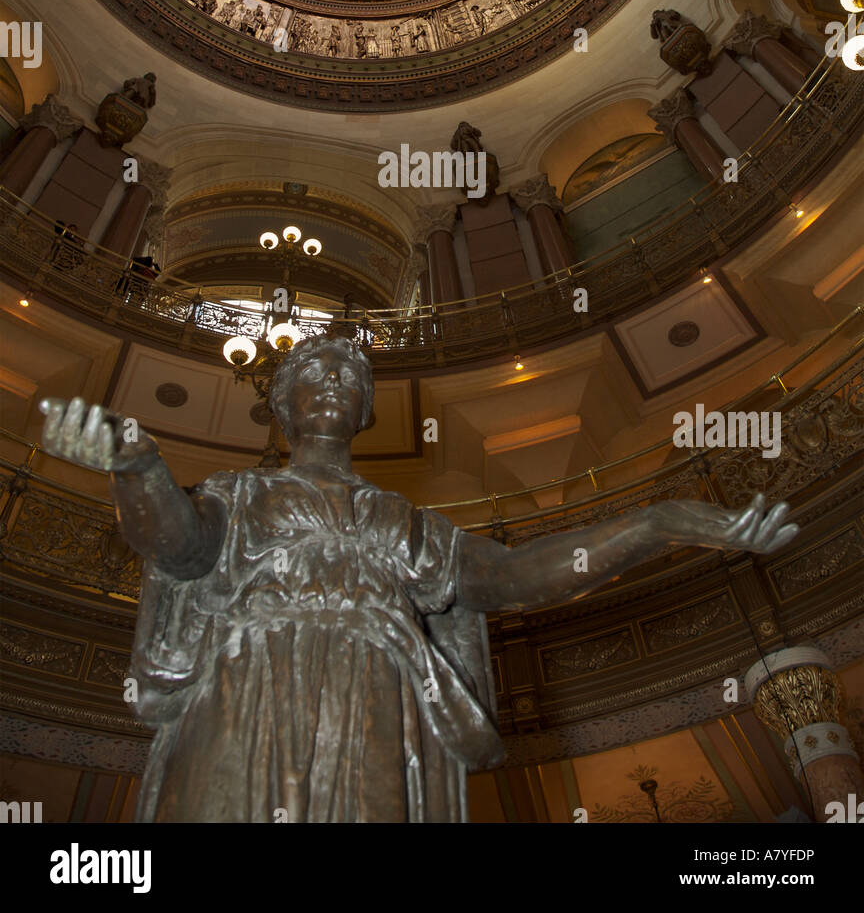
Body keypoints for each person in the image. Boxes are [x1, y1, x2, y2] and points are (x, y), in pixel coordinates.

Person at [39, 336, 797, 824]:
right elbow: (176, 548)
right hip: (248, 686)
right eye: (315, 372)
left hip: (380, 696)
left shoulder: (409, 523)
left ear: (367, 410)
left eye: (350, 376)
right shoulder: (238, 495)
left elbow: (514, 576)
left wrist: (655, 523)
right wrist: (138, 469)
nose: (335, 381)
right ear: (282, 405)